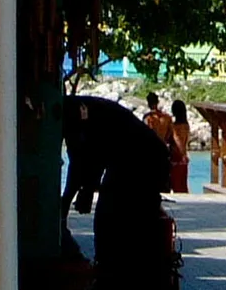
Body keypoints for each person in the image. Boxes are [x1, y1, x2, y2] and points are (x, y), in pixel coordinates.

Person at [63, 96, 176, 289]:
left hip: (143, 159)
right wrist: (73, 197)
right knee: (116, 215)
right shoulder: (81, 113)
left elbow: (92, 156)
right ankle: (117, 270)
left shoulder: (82, 116)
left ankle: (112, 272)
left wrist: (83, 192)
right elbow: (79, 161)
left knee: (112, 215)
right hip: (137, 158)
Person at [168, 99, 192, 194]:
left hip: (176, 158)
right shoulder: (186, 126)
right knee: (183, 185)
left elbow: (177, 142)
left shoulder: (174, 127)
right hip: (184, 159)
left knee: (176, 185)